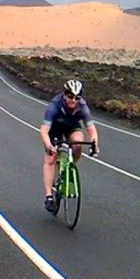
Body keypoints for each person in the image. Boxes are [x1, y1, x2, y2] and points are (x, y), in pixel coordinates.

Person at [41, 79, 99, 213]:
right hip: (55, 129)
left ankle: (68, 169)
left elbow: (91, 129)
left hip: (71, 127)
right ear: (64, 95)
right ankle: (49, 196)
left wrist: (94, 145)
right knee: (51, 159)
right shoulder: (54, 106)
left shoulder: (83, 107)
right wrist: (48, 145)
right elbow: (44, 130)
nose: (73, 100)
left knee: (78, 144)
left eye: (77, 98)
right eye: (70, 97)